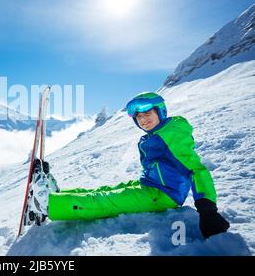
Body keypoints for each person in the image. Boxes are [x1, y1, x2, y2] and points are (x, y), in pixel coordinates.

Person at [28, 92, 230, 239]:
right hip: (151, 187)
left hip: (163, 195)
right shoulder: (157, 135)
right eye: (138, 117)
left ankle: (49, 205)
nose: (143, 120)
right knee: (106, 190)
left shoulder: (172, 135)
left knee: (107, 200)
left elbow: (196, 169)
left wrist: (207, 210)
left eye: (147, 114)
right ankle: (58, 196)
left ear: (160, 111)